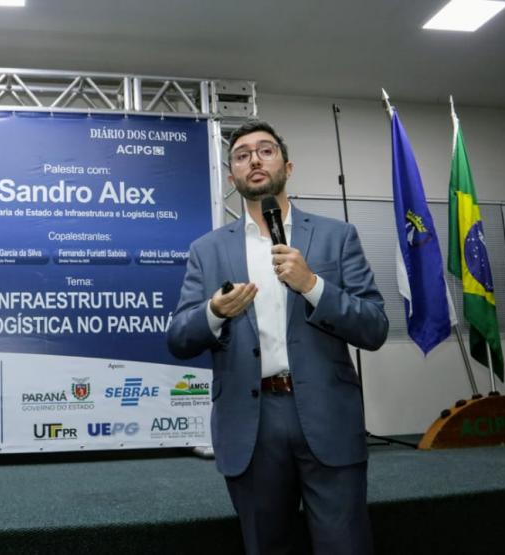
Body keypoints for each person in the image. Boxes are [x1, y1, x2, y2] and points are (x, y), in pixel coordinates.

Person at [167, 120, 388, 554]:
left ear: (287, 165)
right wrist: (213, 311)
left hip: (327, 415)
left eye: (265, 150)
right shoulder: (206, 250)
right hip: (250, 426)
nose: (254, 158)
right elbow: (178, 338)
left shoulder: (336, 236)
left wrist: (313, 285)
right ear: (231, 178)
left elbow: (375, 327)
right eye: (242, 154)